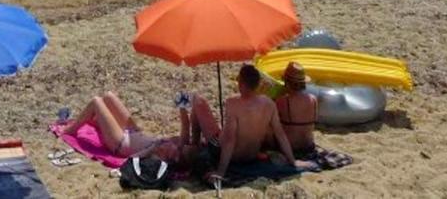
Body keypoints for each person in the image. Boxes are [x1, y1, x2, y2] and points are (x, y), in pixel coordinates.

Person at [207, 64, 313, 186]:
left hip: (230, 157)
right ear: (258, 84)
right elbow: (280, 134)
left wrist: (221, 172)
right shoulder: (269, 103)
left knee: (199, 106)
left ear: (240, 83)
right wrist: (293, 161)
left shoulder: (232, 103)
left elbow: (230, 140)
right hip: (252, 156)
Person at [60, 90, 220, 163]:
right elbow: (185, 125)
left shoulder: (167, 157)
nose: (188, 144)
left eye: (188, 148)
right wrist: (182, 104)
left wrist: (153, 147)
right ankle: (96, 124)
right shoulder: (181, 145)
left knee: (96, 102)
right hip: (134, 131)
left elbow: (132, 159)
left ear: (179, 158)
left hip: (120, 142)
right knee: (108, 96)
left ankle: (68, 131)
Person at [274, 62, 318, 157]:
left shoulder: (283, 101)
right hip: (308, 146)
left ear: (287, 82)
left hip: (291, 146)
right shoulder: (313, 99)